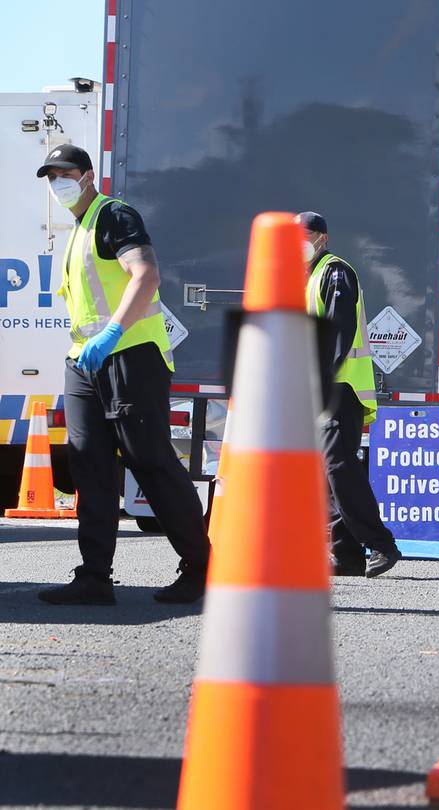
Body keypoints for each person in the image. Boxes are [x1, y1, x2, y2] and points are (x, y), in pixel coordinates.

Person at [35, 144, 210, 605]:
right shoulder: (77, 229)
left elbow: (146, 275)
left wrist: (112, 332)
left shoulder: (113, 215)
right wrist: (90, 348)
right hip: (85, 361)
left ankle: (201, 567)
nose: (57, 184)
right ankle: (94, 576)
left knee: (149, 460)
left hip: (131, 354)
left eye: (64, 174)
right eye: (50, 178)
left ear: (88, 175)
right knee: (88, 463)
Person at [297, 212, 402, 577]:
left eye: (304, 235)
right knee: (329, 471)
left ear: (322, 238)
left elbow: (339, 331)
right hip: (323, 389)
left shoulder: (335, 272)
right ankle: (346, 554)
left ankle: (381, 544)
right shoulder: (306, 278)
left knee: (339, 467)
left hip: (340, 387)